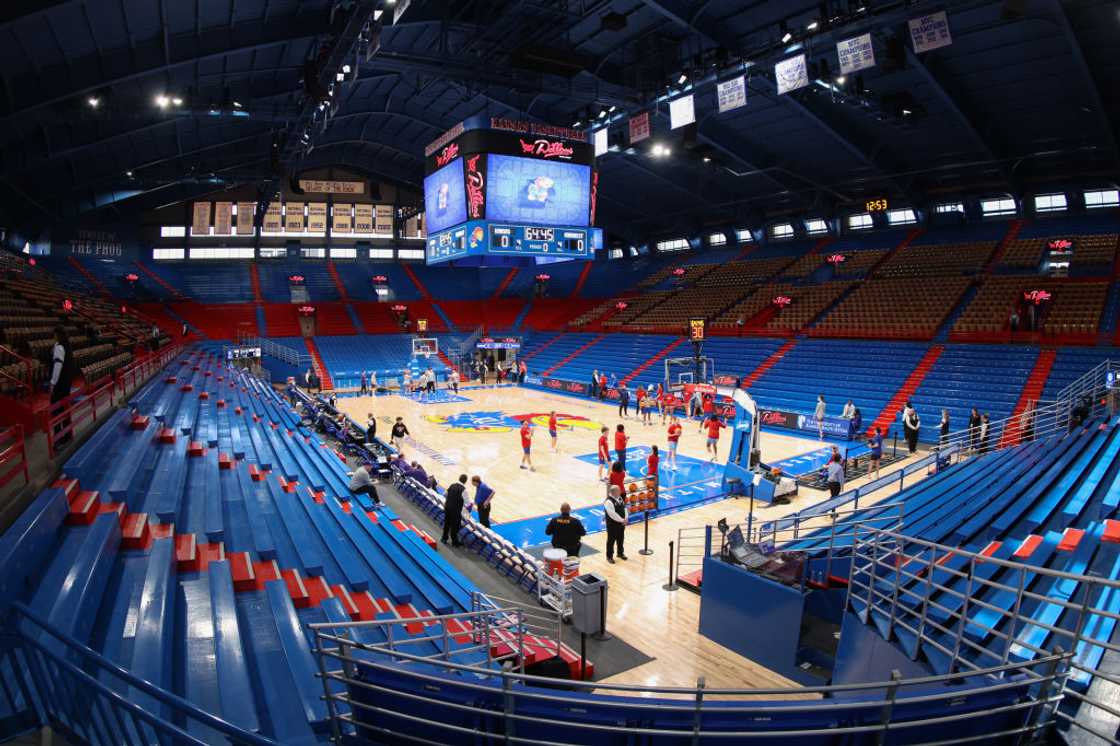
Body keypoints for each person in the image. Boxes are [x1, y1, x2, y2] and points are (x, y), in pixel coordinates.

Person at [48, 326, 77, 444]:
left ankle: (58, 437)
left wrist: (52, 382)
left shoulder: (60, 347)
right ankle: (67, 435)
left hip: (60, 384)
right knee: (64, 409)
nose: (53, 337)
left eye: (54, 335)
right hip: (66, 383)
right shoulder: (67, 346)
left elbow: (57, 366)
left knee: (55, 411)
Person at [603, 486, 628, 563]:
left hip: (621, 523)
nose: (620, 492)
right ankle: (609, 556)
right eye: (619, 491)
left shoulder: (620, 498)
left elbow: (624, 508)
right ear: (614, 492)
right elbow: (612, 514)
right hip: (612, 525)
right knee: (611, 541)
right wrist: (622, 520)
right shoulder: (608, 502)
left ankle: (620, 553)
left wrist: (626, 518)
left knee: (621, 539)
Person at [441, 474, 467, 546]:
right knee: (455, 526)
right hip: (455, 510)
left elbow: (444, 494)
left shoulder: (452, 485)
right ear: (465, 481)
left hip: (447, 507)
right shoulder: (464, 490)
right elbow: (467, 502)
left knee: (447, 523)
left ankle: (444, 538)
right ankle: (454, 542)